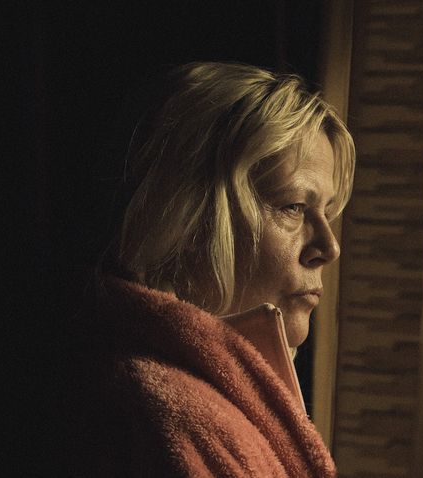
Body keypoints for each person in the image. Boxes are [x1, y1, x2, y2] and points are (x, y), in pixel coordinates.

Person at [83, 61, 355, 477]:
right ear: (191, 219)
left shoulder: (206, 406)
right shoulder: (171, 422)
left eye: (327, 213)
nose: (328, 247)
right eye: (294, 207)